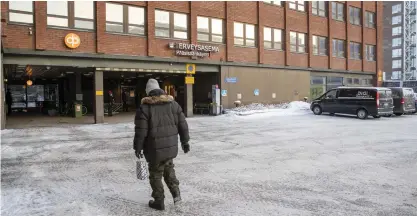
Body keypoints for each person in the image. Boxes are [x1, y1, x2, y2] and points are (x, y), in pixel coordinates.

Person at [133, 78, 190, 211]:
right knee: (169, 171)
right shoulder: (173, 104)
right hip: (170, 148)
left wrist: (138, 147)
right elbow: (183, 125)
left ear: (148, 92)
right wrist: (185, 141)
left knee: (156, 175)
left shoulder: (145, 108)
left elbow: (141, 132)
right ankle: (177, 197)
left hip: (154, 150)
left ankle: (159, 201)